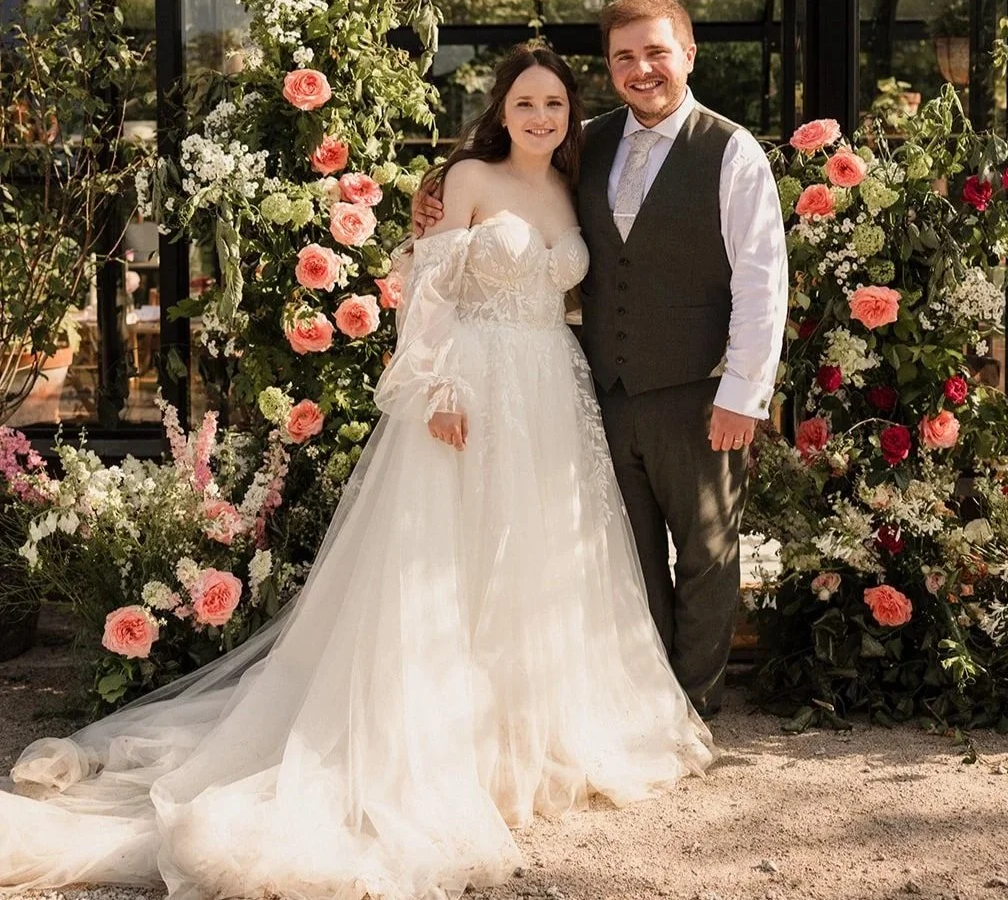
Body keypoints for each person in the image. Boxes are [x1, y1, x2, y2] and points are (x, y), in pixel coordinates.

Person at [0, 45, 713, 900]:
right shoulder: (471, 177)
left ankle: (529, 736)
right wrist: (440, 384)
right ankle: (437, 740)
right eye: (526, 102)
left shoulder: (575, 182)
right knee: (455, 562)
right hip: (475, 385)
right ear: (501, 109)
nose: (541, 117)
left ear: (570, 114)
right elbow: (430, 291)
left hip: (552, 393)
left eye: (555, 104)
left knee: (537, 560)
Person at [416, 0, 788, 720]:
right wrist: (428, 201)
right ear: (610, 69)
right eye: (624, 57)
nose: (641, 69)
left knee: (706, 553)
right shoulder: (581, 142)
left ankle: (696, 703)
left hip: (696, 390)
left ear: (687, 54)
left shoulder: (730, 149)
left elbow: (762, 275)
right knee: (625, 552)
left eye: (655, 52)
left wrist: (744, 392)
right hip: (598, 386)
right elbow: (496, 183)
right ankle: (643, 702)